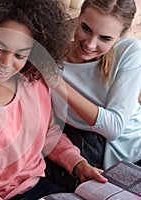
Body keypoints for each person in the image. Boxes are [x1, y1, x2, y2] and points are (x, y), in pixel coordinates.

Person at [0, 0, 107, 199]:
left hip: (40, 185)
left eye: (19, 55)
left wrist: (78, 164)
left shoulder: (33, 80)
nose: (6, 64)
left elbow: (49, 135)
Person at [45, 0, 141, 192]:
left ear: (119, 37)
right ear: (79, 17)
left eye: (105, 38)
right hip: (89, 151)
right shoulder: (51, 54)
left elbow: (114, 127)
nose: (90, 44)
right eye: (86, 28)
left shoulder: (130, 50)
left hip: (135, 146)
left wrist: (57, 83)